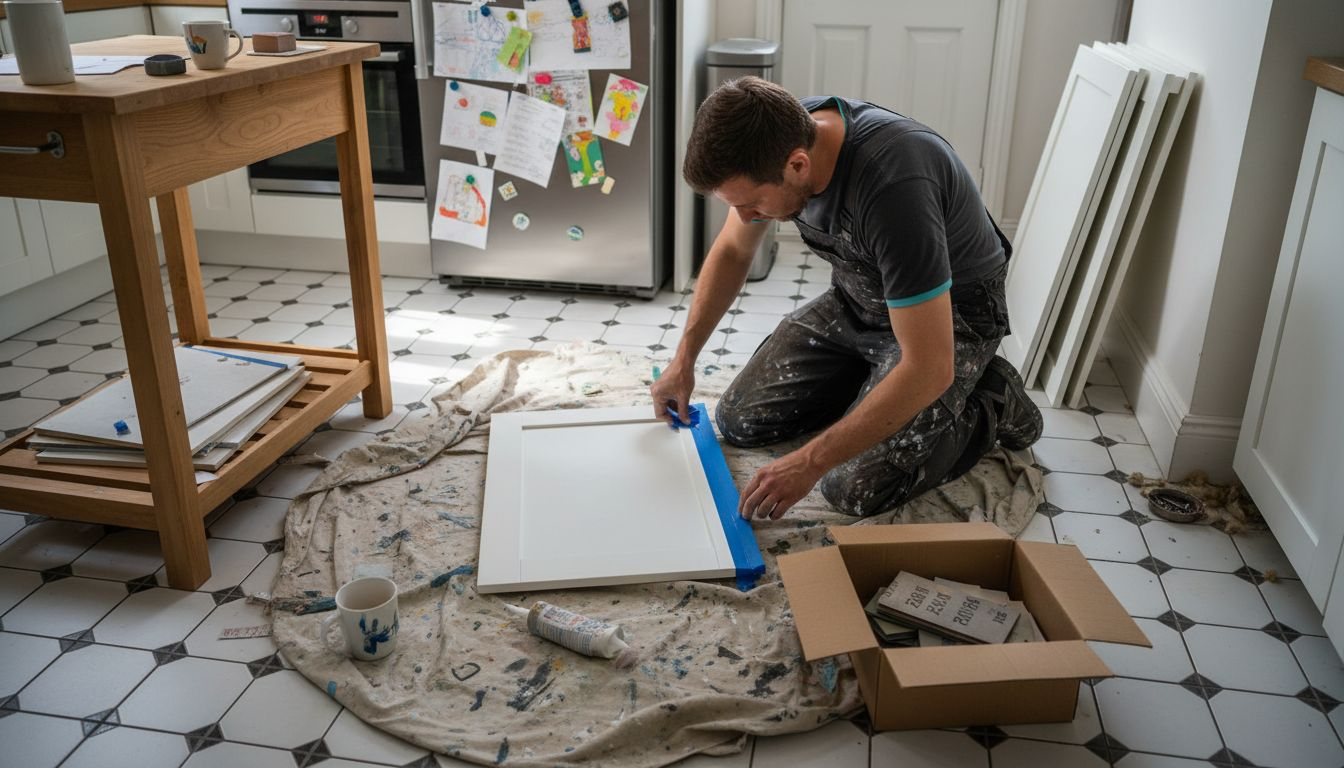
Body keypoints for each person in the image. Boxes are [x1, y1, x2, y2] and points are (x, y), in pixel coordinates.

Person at [650, 76, 1042, 521]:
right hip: (860, 301)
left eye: (753, 205)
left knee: (851, 486)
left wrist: (810, 461)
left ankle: (994, 398)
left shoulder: (895, 186)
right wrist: (683, 360)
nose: (745, 218)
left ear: (797, 165)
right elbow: (734, 249)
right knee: (739, 420)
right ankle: (875, 384)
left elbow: (929, 365)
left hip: (950, 321)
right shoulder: (775, 135)